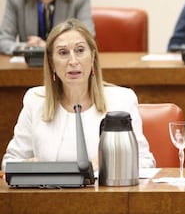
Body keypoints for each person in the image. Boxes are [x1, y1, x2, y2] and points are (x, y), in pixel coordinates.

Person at [1, 18, 155, 171]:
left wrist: (108, 164)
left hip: (102, 195)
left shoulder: (122, 100)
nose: (73, 61)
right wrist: (27, 166)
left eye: (80, 50)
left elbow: (145, 161)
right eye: (63, 53)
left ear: (92, 56)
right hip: (48, 195)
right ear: (51, 62)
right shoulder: (35, 101)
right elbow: (9, 162)